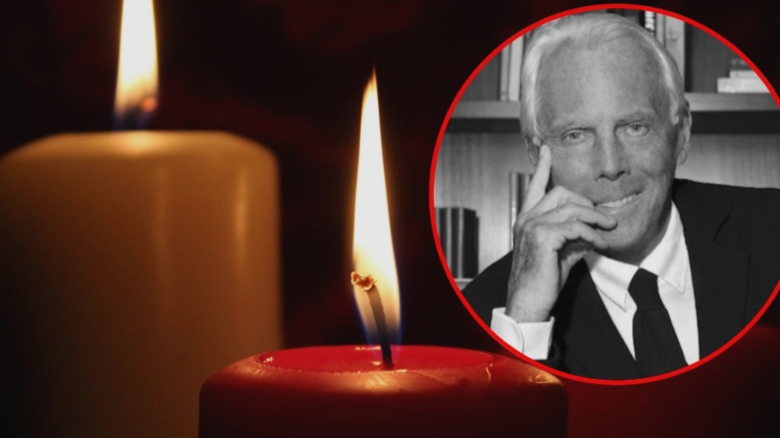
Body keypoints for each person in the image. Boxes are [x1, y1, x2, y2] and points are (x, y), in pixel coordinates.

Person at [462, 12, 780, 380]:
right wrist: (528, 322)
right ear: (536, 155)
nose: (611, 166)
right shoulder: (493, 312)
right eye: (576, 135)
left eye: (635, 127)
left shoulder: (772, 229)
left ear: (681, 135)